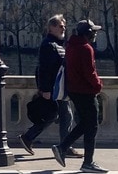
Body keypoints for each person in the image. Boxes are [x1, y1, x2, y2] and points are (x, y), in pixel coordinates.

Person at [52, 19, 108, 173]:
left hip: (74, 90)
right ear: (88, 33)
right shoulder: (85, 48)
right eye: (94, 32)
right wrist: (98, 85)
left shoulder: (71, 46)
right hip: (86, 91)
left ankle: (62, 147)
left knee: (85, 123)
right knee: (92, 125)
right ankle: (87, 162)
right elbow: (90, 73)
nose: (95, 34)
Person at [20, 15, 78, 156]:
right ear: (51, 28)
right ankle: (64, 146)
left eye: (64, 26)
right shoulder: (49, 45)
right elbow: (43, 69)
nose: (63, 28)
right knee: (62, 115)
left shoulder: (56, 44)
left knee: (58, 115)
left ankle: (29, 137)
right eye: (60, 26)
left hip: (58, 88)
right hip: (53, 88)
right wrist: (45, 89)